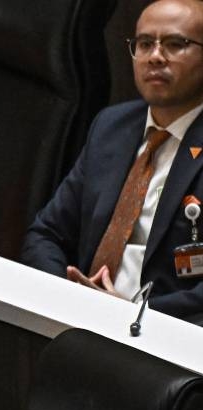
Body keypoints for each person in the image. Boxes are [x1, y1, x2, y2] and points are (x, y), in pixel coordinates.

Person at [21, 0, 203, 325]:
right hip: (80, 321)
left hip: (166, 340)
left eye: (175, 44)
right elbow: (45, 234)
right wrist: (69, 294)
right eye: (145, 44)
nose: (155, 56)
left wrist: (129, 312)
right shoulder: (112, 127)